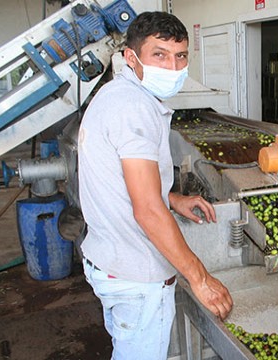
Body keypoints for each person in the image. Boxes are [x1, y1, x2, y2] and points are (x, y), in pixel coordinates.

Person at [77, 11, 233, 359]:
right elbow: (147, 210)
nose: (173, 67)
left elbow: (126, 181)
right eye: (159, 54)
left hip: (110, 261)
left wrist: (172, 198)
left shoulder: (116, 94)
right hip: (136, 277)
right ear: (132, 57)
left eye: (180, 56)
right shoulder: (134, 108)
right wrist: (200, 277)